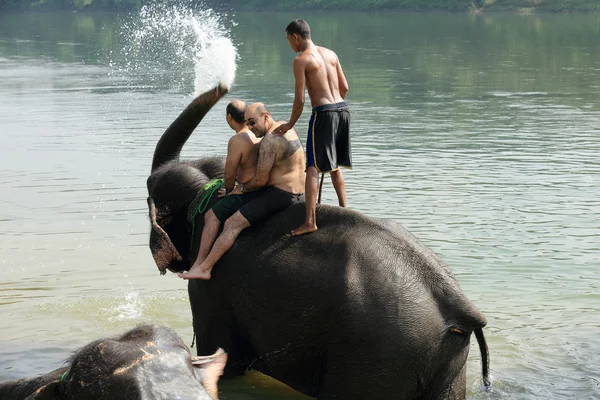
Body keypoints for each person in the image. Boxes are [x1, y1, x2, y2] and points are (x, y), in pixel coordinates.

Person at [178, 102, 305, 280]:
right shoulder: (285, 127)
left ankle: (205, 268)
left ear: (266, 116)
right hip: (300, 191)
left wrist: (239, 189)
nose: (250, 128)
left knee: (232, 223)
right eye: (247, 123)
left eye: (253, 122)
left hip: (280, 195)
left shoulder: (269, 141)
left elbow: (260, 181)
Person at [273, 19, 351, 236]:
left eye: (289, 40)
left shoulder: (301, 61)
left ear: (295, 37)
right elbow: (344, 87)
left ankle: (310, 221)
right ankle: (345, 210)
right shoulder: (331, 54)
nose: (290, 45)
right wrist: (334, 105)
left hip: (324, 114)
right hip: (342, 110)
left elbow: (299, 101)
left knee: (312, 168)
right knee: (333, 165)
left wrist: (290, 124)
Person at [185, 100, 261, 275]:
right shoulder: (256, 133)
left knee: (211, 216)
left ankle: (200, 263)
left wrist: (229, 190)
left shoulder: (237, 139)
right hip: (259, 187)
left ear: (229, 117)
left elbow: (229, 175)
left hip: (245, 191)